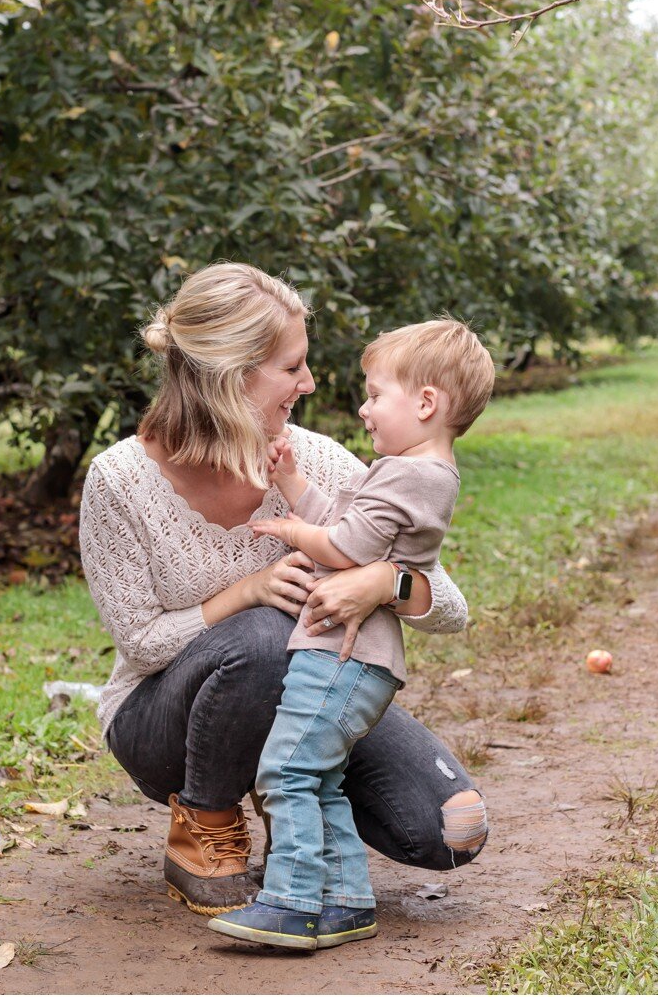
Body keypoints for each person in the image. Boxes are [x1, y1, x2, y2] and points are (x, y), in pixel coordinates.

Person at [78, 263, 488, 933]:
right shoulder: (120, 482)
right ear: (230, 375)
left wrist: (385, 581)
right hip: (162, 724)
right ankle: (205, 827)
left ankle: (290, 808)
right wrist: (247, 592)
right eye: (292, 367)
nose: (311, 383)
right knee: (267, 632)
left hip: (305, 693)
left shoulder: (315, 463)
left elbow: (452, 604)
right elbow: (142, 643)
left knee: (446, 829)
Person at [204, 320, 494, 950]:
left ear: (425, 403)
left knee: (285, 771)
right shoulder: (412, 471)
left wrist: (286, 533)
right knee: (321, 774)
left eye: (375, 393)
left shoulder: (408, 474)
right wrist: (291, 487)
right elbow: (350, 524)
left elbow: (344, 544)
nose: (362, 408)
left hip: (342, 655)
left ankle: (293, 900)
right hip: (356, 656)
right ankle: (345, 901)